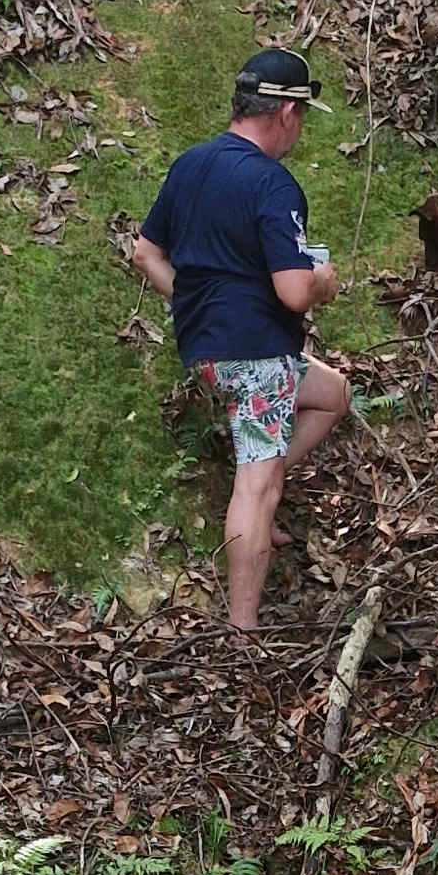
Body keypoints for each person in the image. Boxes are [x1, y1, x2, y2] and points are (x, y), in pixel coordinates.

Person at [127, 47, 353, 633]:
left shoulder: (190, 165)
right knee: (259, 489)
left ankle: (257, 475)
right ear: (286, 112)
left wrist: (192, 303)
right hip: (256, 356)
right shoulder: (273, 184)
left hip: (207, 350)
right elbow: (295, 293)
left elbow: (146, 253)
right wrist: (324, 282)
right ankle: (242, 629)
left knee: (332, 394)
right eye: (303, 117)